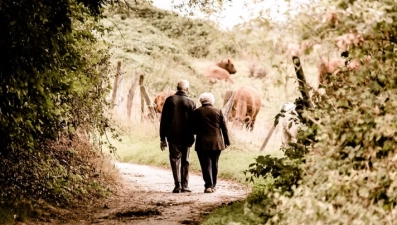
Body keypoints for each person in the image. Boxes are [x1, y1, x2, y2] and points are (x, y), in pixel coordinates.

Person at [159, 79, 196, 193]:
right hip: (187, 136)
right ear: (187, 89)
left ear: (177, 88)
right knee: (185, 160)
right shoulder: (191, 102)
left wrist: (162, 138)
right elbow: (194, 122)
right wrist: (194, 135)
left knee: (174, 159)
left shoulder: (170, 100)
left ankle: (177, 185)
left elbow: (163, 120)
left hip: (172, 135)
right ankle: (185, 186)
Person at [193, 92, 230, 193]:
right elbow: (224, 129)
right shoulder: (218, 111)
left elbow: (193, 129)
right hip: (217, 142)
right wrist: (227, 142)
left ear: (201, 101)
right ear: (211, 100)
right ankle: (213, 185)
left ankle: (208, 186)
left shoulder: (196, 112)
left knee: (205, 164)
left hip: (202, 142)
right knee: (215, 164)